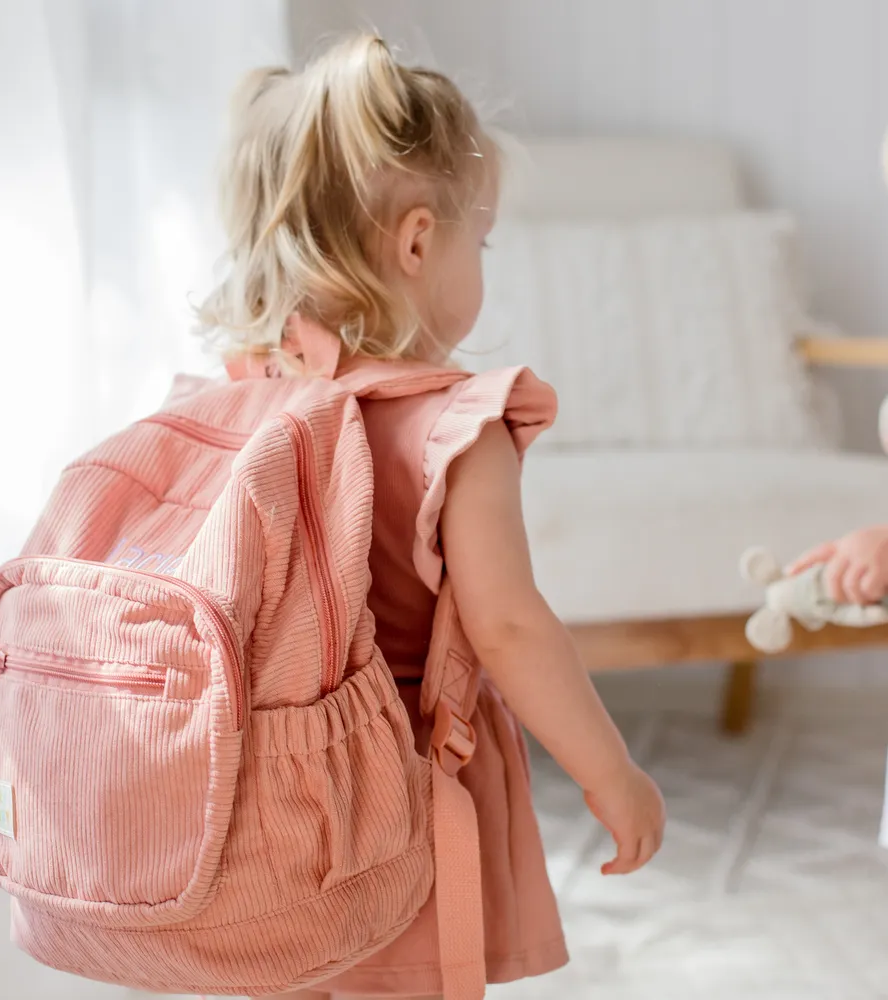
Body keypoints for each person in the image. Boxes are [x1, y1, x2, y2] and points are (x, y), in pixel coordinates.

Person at [197, 34, 666, 1000]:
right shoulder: (458, 427)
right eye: (477, 241)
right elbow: (507, 624)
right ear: (417, 241)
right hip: (396, 789)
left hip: (263, 792)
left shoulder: (243, 401)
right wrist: (611, 771)